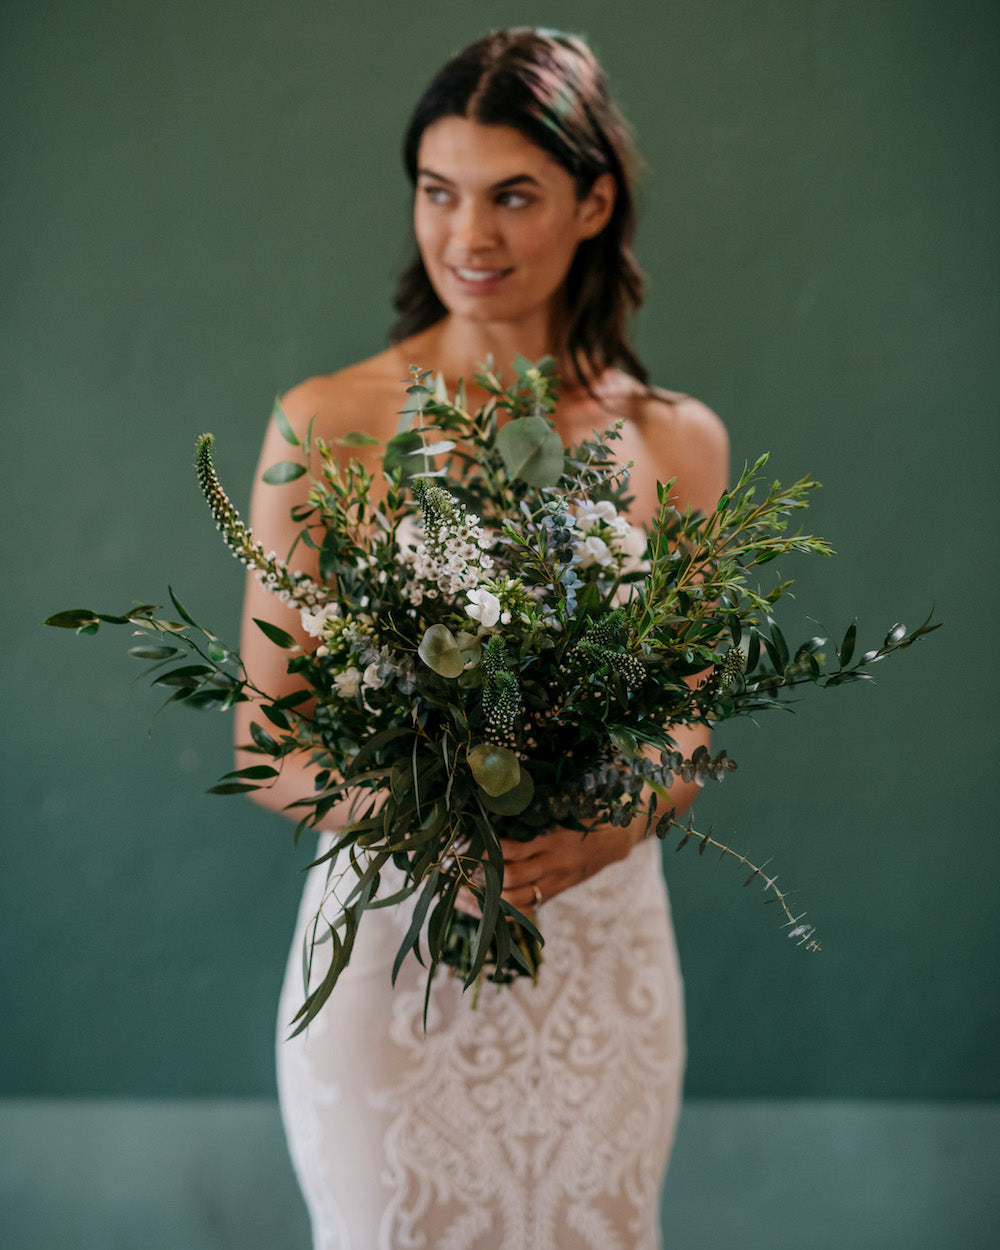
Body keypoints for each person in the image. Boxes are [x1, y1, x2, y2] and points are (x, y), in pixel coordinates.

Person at [236, 28, 728, 1250]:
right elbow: (263, 740)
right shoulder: (325, 426)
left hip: (601, 951)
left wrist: (615, 818)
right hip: (391, 946)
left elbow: (689, 719)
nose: (469, 237)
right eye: (438, 192)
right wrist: (426, 818)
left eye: (513, 195)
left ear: (592, 201)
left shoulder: (678, 443)